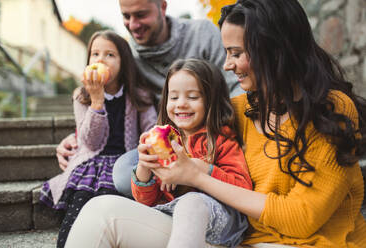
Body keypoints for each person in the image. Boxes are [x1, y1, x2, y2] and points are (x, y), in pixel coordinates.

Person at [65, 0, 366, 247]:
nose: (227, 65)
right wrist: (79, 139)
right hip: (239, 239)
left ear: (274, 51)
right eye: (226, 53)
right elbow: (184, 122)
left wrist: (199, 175)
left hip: (307, 244)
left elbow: (302, 219)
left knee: (193, 204)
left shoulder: (331, 110)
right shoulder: (239, 108)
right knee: (101, 211)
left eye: (236, 53)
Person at [55, 0, 245, 193]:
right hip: (167, 144)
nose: (133, 24)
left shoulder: (202, 34)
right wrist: (77, 136)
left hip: (211, 140)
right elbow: (116, 105)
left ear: (162, 7)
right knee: (122, 173)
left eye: (141, 14)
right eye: (126, 16)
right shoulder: (130, 60)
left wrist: (228, 134)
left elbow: (237, 87)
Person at [39, 30, 157, 247]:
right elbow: (90, 142)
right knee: (79, 204)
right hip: (91, 164)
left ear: (124, 62)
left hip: (123, 163)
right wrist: (96, 100)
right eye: (95, 54)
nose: (101, 59)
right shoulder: (82, 95)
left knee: (109, 197)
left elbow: (151, 133)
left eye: (110, 55)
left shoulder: (139, 95)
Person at [130, 58, 252, 247]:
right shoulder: (164, 143)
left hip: (221, 222)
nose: (181, 104)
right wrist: (144, 168)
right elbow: (146, 200)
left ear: (211, 100)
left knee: (191, 202)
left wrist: (201, 168)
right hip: (176, 218)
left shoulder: (220, 140)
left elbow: (243, 189)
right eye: (174, 97)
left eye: (193, 97)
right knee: (101, 204)